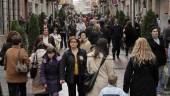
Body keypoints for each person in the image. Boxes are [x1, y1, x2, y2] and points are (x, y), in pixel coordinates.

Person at [148, 26, 167, 93]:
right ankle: (157, 90)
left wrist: (165, 59)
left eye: (156, 31)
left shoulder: (161, 39)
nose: (156, 32)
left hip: (162, 61)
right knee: (157, 76)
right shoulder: (149, 41)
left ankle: (160, 89)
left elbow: (164, 50)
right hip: (155, 62)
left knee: (162, 75)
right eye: (154, 31)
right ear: (151, 33)